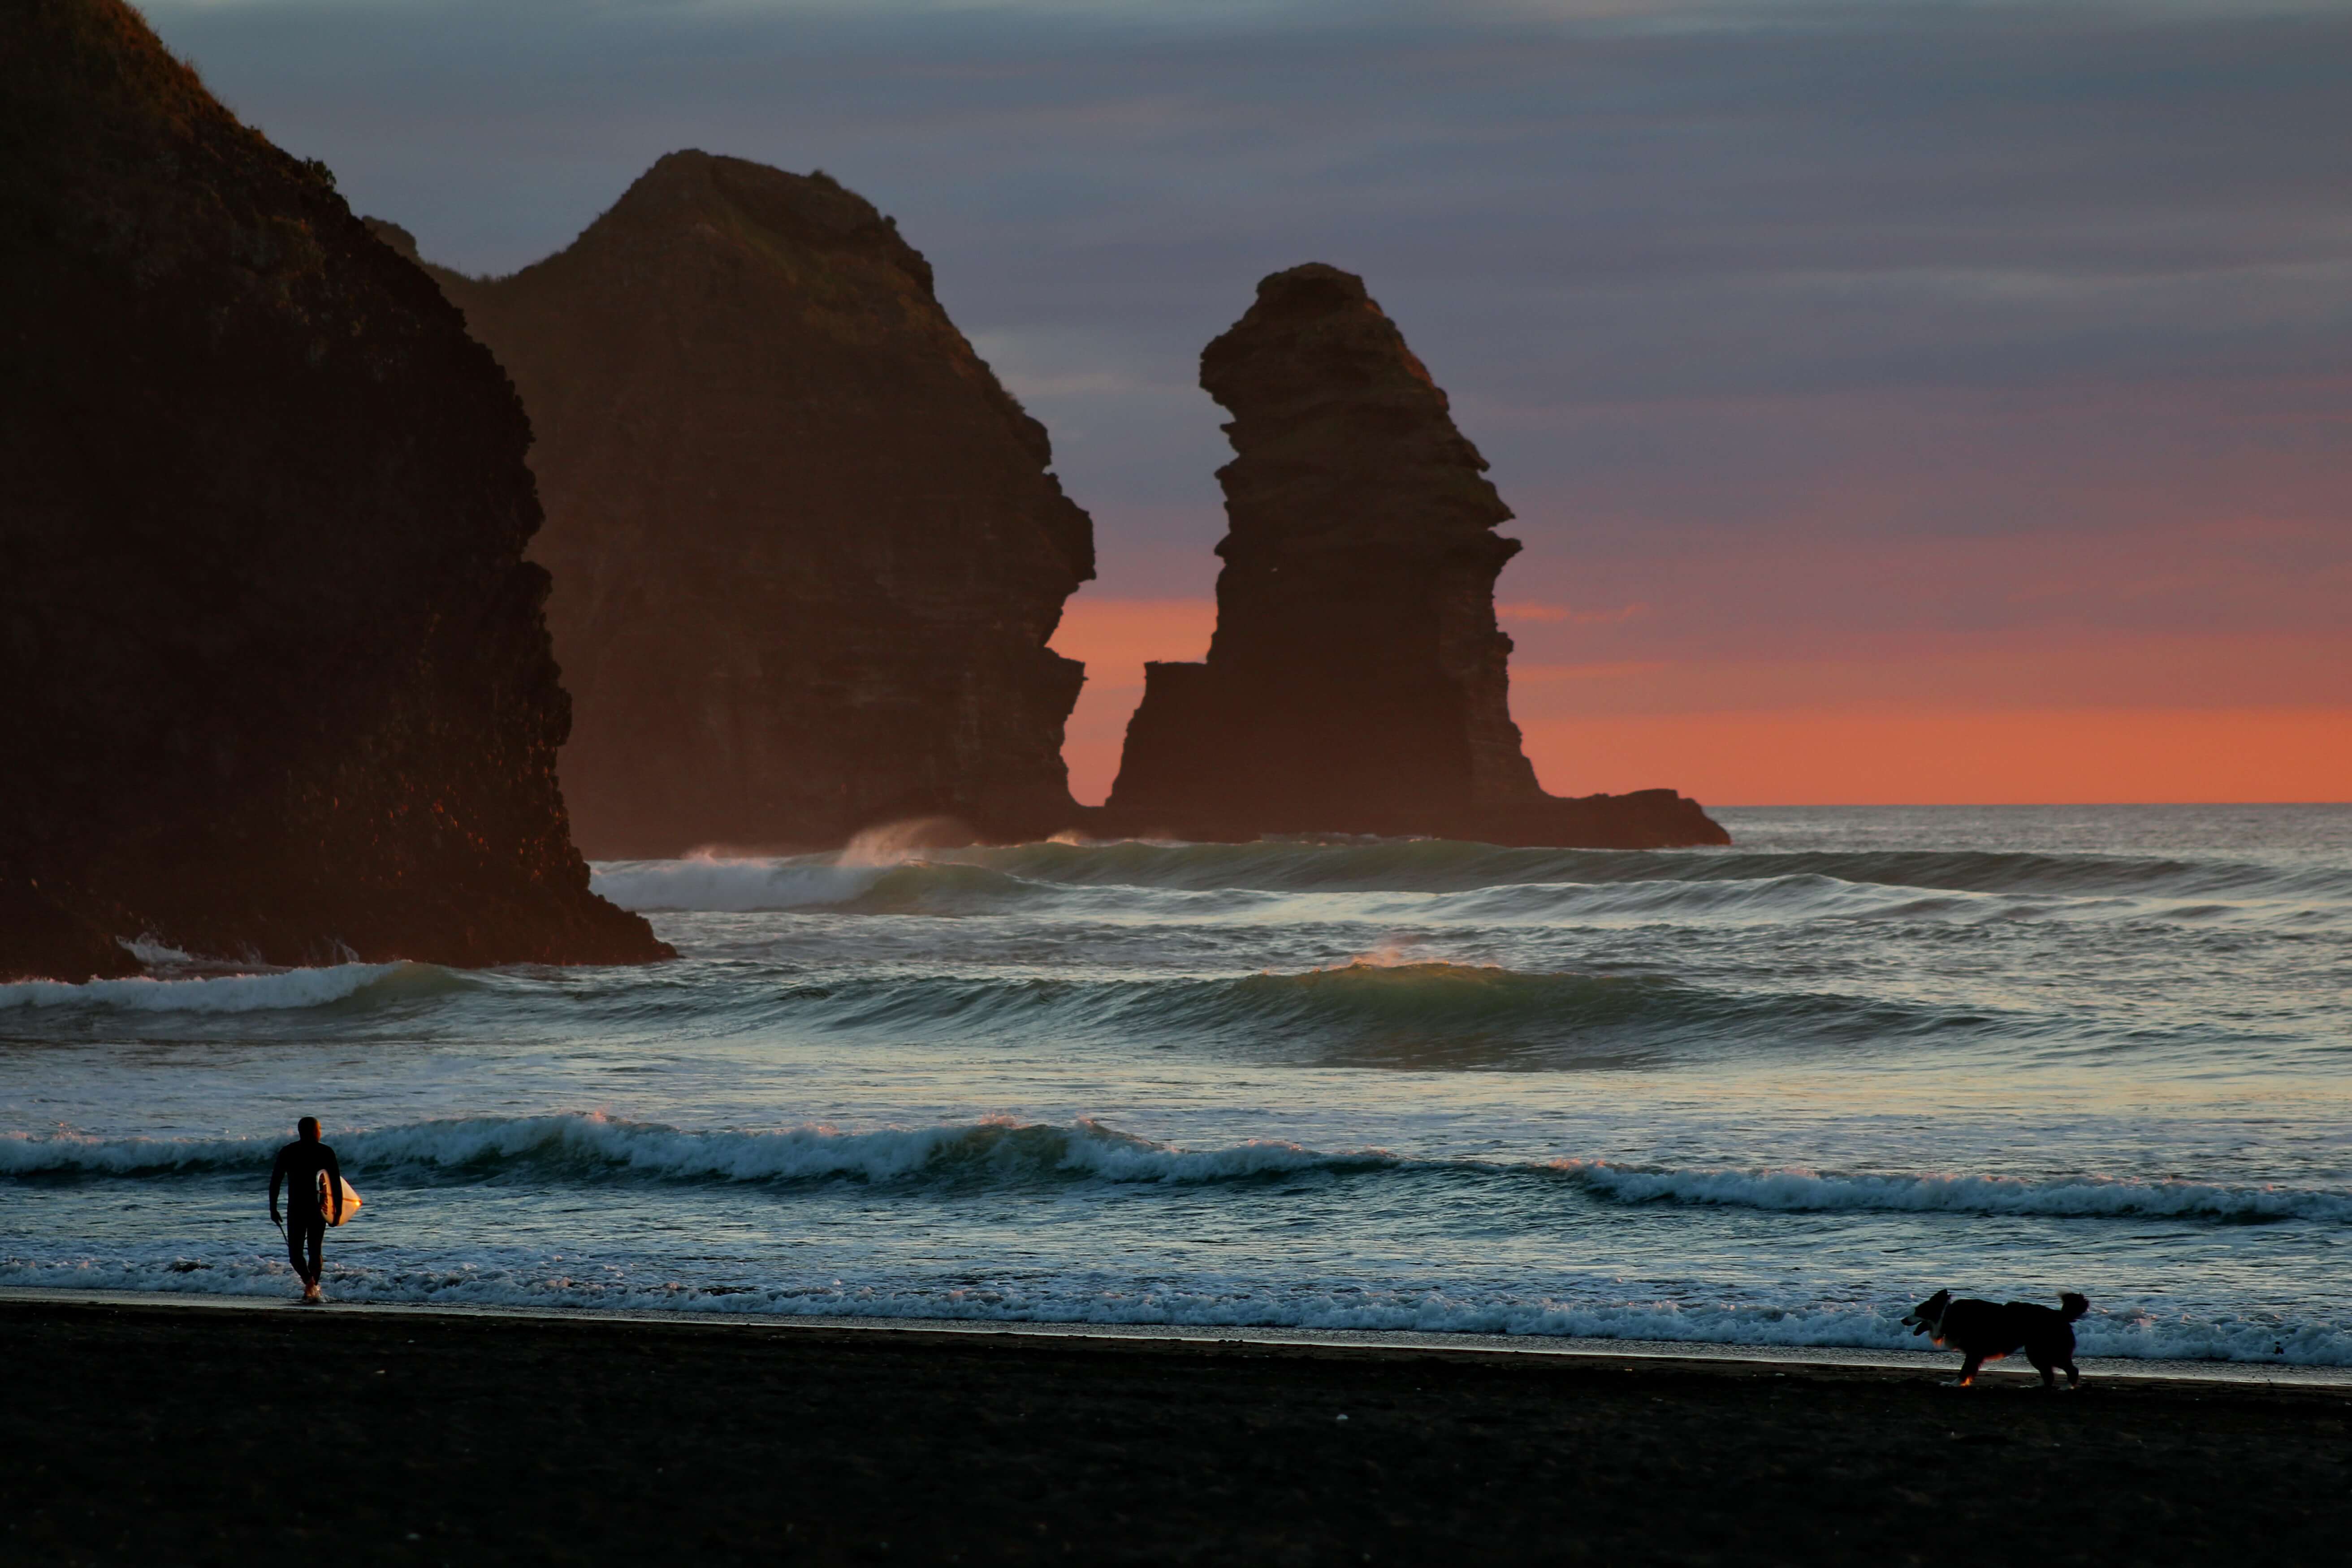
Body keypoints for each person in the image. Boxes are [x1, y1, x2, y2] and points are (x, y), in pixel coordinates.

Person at [268, 1117, 344, 1303]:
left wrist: (273, 1207)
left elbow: (275, 1181)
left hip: (297, 1208)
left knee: (297, 1254)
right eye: (319, 1129)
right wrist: (338, 1210)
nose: (320, 1132)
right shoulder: (324, 1151)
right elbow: (336, 1184)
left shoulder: (289, 1151)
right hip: (318, 1208)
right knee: (312, 1252)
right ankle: (312, 1286)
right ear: (314, 1132)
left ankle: (310, 1288)